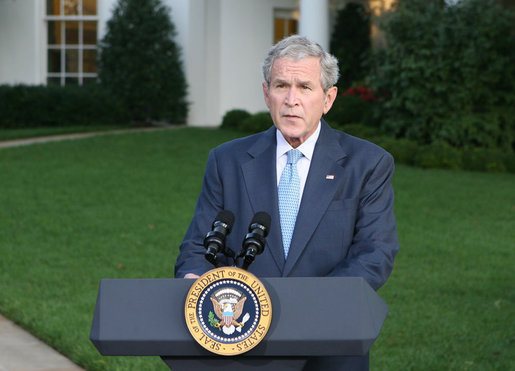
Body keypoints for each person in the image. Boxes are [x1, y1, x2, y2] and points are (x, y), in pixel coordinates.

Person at [175, 35, 399, 370]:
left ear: (328, 98)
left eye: (305, 87)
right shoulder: (227, 160)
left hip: (331, 338)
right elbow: (198, 244)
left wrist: (308, 306)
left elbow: (374, 253)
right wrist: (195, 282)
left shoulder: (367, 163)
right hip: (243, 339)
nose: (291, 100)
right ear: (267, 94)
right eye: (281, 85)